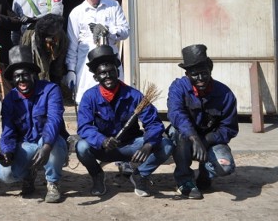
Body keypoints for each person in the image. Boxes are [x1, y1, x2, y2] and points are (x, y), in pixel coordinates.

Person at [75, 45, 173, 197]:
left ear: (118, 72)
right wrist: (102, 140)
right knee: (81, 146)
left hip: (131, 146)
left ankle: (140, 175)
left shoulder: (135, 95)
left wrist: (148, 144)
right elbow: (84, 127)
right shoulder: (89, 97)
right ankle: (97, 176)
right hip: (104, 148)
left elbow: (154, 123)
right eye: (102, 73)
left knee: (166, 145)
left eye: (111, 71)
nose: (108, 76)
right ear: (95, 77)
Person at [0, 45, 68, 203]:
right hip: (26, 145)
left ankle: (53, 182)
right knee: (4, 173)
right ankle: (28, 175)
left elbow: (54, 120)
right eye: (16, 76)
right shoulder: (9, 100)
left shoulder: (51, 90)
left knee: (53, 142)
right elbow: (7, 131)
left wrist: (46, 147)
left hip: (50, 142)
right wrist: (7, 152)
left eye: (25, 75)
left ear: (34, 74)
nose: (21, 80)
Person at [167, 44, 238, 200]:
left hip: (210, 140)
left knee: (226, 167)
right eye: (194, 74)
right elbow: (176, 114)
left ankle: (205, 175)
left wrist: (205, 141)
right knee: (178, 133)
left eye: (204, 73)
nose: (200, 79)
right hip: (185, 137)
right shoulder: (178, 88)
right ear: (187, 74)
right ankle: (184, 180)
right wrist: (193, 137)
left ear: (210, 70)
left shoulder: (225, 94)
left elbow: (229, 128)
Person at [65, 0, 130, 104]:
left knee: (115, 96)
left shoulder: (113, 6)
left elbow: (125, 31)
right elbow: (72, 44)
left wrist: (108, 31)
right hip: (86, 62)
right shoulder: (76, 12)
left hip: (110, 58)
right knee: (88, 99)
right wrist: (70, 69)